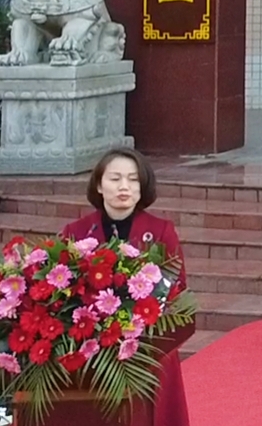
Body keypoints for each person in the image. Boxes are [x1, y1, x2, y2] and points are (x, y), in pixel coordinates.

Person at [63, 149, 189, 426]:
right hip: (92, 351)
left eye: (133, 179)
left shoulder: (161, 231)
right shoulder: (77, 232)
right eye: (115, 178)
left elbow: (178, 291)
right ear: (99, 185)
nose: (124, 187)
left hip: (149, 348)